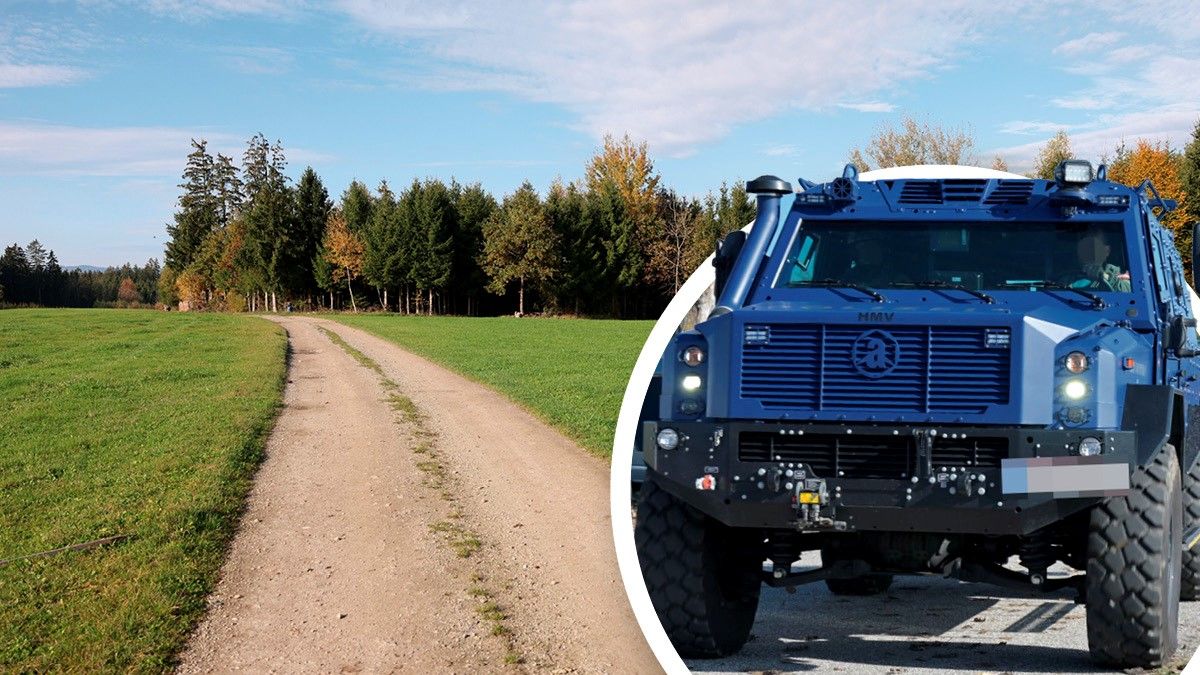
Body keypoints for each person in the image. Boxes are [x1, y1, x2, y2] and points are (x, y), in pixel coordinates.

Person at [1064, 229, 1131, 291]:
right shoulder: (1067, 279)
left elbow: (1130, 292)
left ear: (1107, 251)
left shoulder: (1121, 277)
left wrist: (1105, 277)